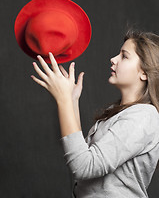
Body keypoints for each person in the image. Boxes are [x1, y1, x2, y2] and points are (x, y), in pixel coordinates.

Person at [31, 29, 159, 198]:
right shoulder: (118, 112)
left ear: (144, 72)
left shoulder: (144, 117)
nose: (113, 59)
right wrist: (72, 100)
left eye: (124, 56)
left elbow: (84, 166)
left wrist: (64, 101)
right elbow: (82, 153)